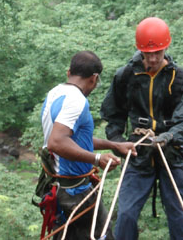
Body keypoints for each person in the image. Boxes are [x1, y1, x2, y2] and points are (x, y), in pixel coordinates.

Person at [100, 17, 183, 240]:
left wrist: (166, 137)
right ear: (139, 50)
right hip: (138, 154)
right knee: (125, 215)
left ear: (166, 47)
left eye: (158, 52)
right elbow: (113, 114)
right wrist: (117, 141)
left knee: (182, 219)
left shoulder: (181, 80)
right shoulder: (126, 76)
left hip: (173, 155)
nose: (153, 58)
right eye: (148, 53)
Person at [41, 50, 137, 239]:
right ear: (94, 78)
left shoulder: (54, 94)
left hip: (59, 190)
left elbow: (72, 141)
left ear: (69, 72)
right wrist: (97, 159)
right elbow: (57, 142)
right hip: (76, 193)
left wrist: (114, 145)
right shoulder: (77, 101)